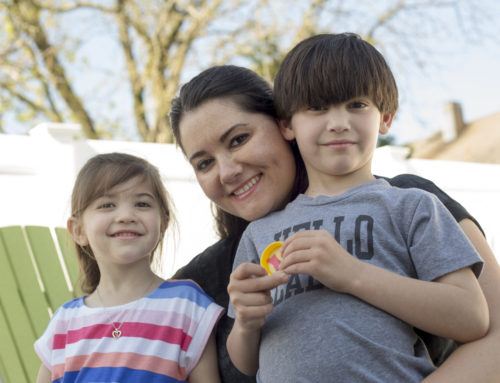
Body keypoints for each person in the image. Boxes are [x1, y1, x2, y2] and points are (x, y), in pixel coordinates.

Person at [170, 65, 500, 382]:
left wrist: (354, 275)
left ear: (285, 124)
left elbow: (491, 333)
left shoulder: (405, 200)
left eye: (239, 139)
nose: (226, 171)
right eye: (204, 163)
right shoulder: (212, 272)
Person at [34, 152, 223, 383]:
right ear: (78, 230)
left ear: (163, 224)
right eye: (107, 205)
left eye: (142, 204)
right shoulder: (64, 324)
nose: (126, 216)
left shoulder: (188, 306)